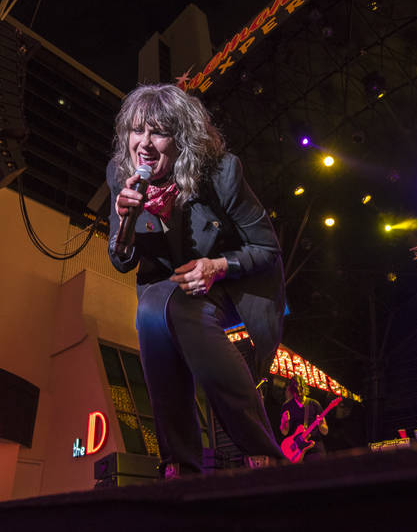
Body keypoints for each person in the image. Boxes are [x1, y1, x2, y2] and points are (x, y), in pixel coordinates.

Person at [107, 83, 286, 477]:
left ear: (183, 139)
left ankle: (220, 457)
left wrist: (217, 266)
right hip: (164, 289)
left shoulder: (222, 173)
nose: (144, 144)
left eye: (159, 132)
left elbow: (266, 248)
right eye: (137, 131)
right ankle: (194, 463)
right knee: (154, 308)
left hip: (225, 282)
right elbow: (121, 261)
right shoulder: (121, 176)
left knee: (170, 308)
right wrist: (126, 221)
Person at [279, 374, 328, 459]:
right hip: (296, 449)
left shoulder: (314, 404)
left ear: (304, 388)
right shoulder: (287, 406)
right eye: (295, 389)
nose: (299, 391)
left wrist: (321, 425)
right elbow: (284, 432)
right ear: (291, 390)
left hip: (314, 447)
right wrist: (284, 421)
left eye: (300, 387)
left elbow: (325, 431)